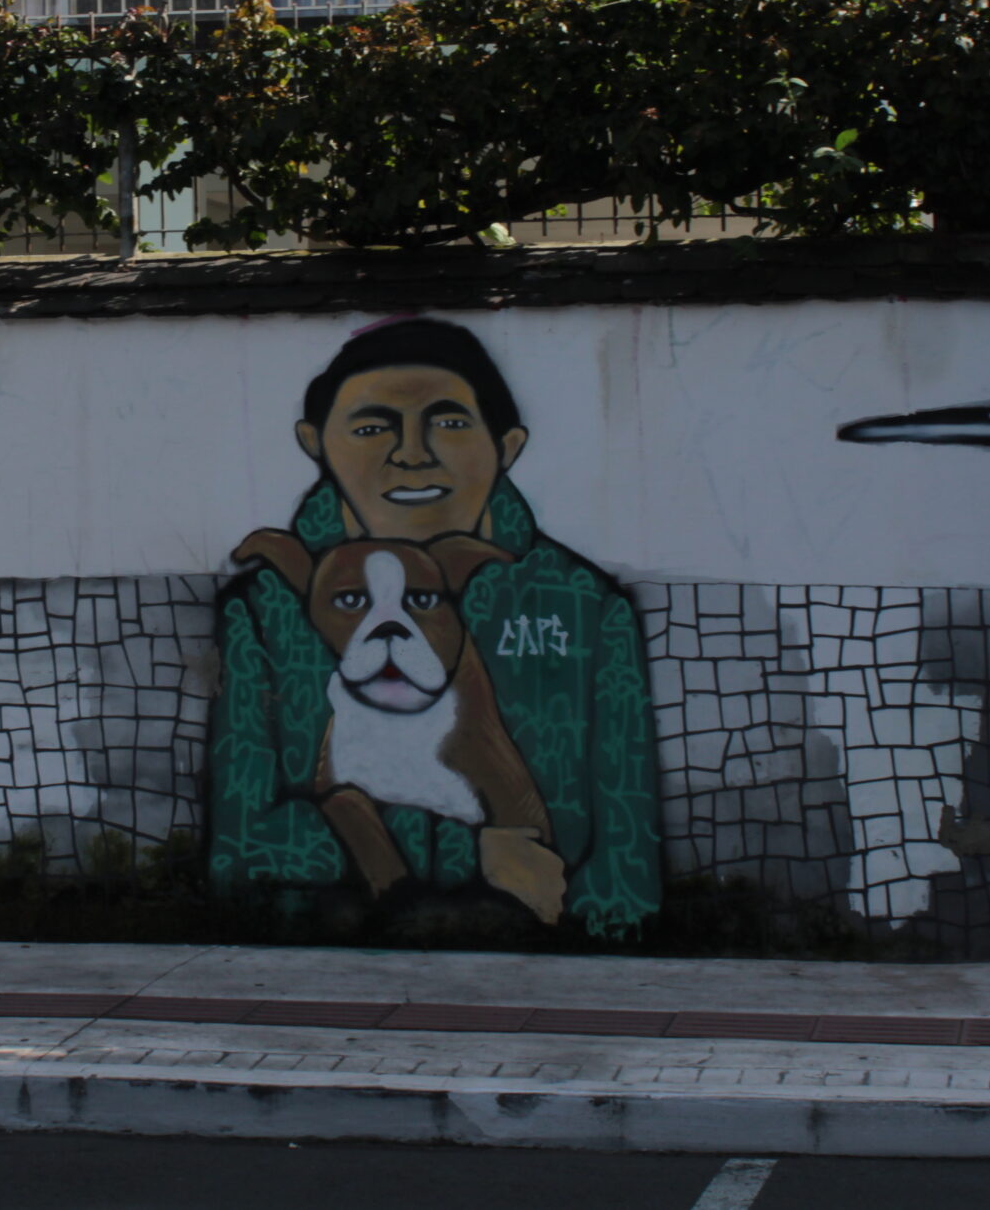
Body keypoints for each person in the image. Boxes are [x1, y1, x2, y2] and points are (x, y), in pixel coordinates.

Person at [207, 317, 661, 936]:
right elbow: (243, 844)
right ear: (315, 442)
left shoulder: (584, 606)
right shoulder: (265, 610)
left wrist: (602, 953)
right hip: (326, 955)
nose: (412, 454)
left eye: (449, 423)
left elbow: (624, 843)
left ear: (507, 445)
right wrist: (468, 855)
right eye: (372, 428)